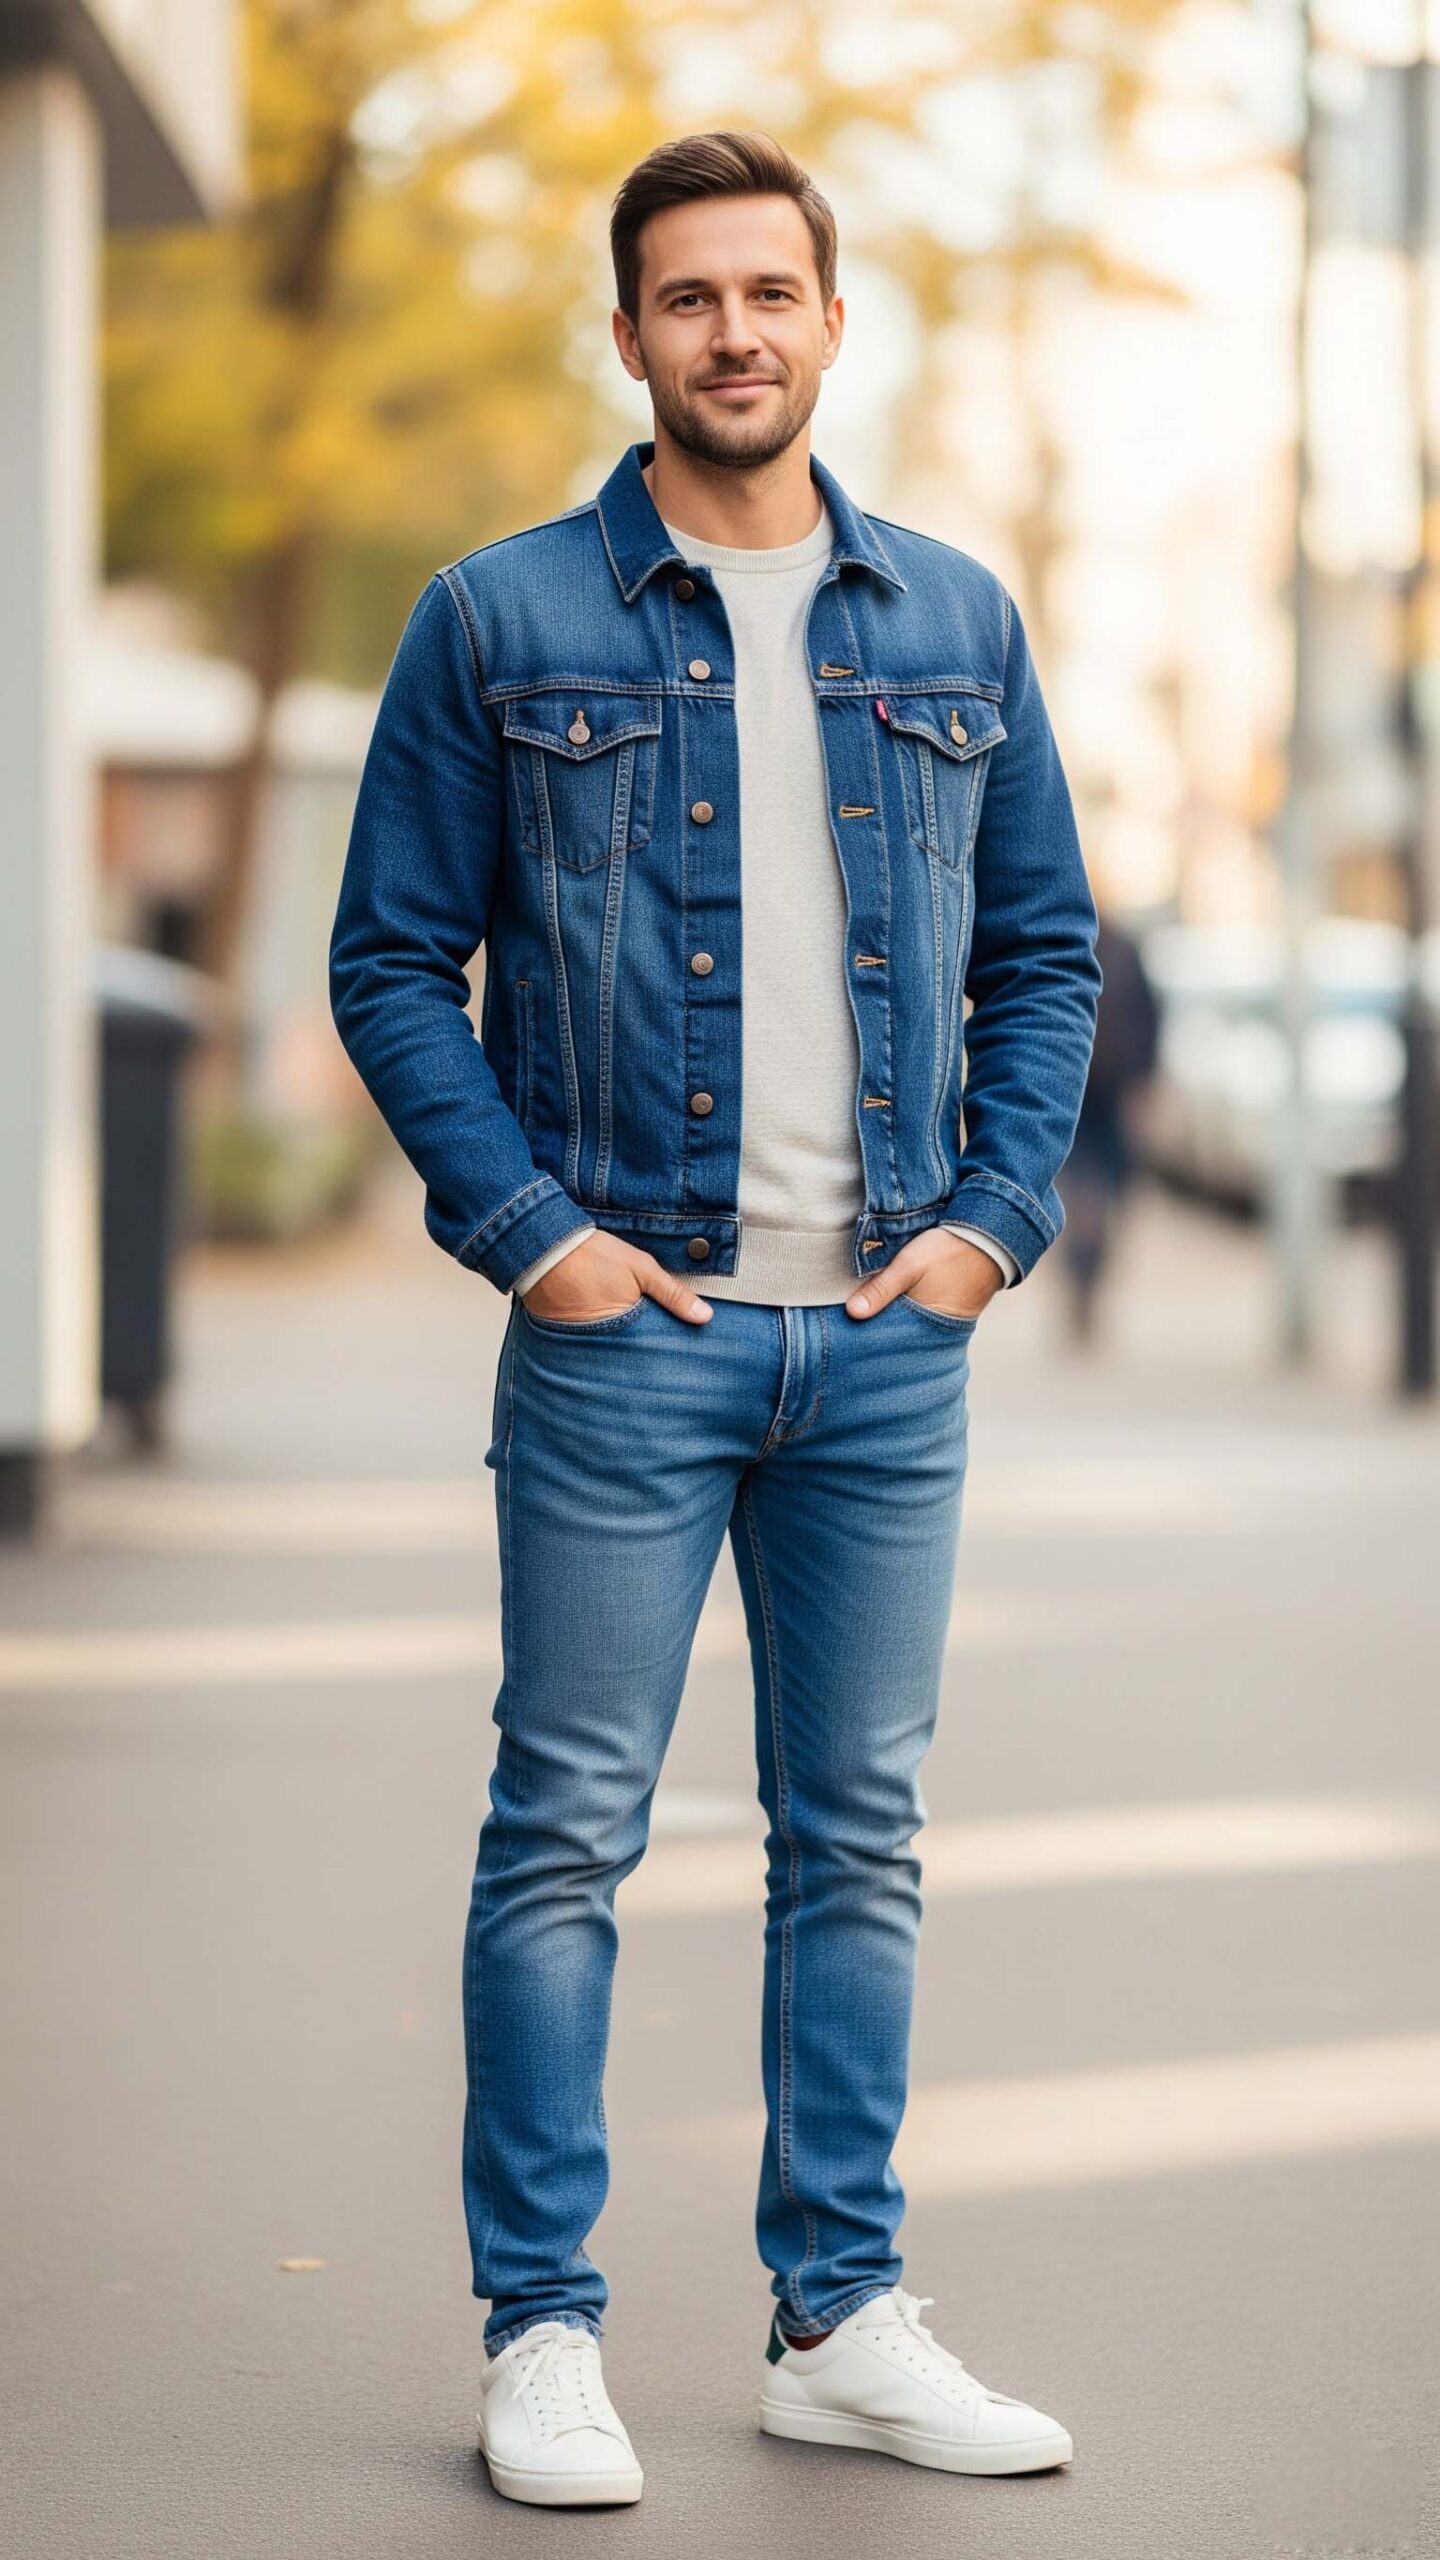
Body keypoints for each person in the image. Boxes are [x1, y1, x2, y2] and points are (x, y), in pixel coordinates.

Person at [330, 129, 1100, 2509]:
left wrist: (981, 1226)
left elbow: (1046, 953)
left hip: (880, 1340)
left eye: (772, 293)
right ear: (632, 329)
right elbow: (386, 960)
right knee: (561, 1827)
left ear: (828, 325)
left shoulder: (955, 621)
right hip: (619, 1336)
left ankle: (834, 2309)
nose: (733, 332)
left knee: (852, 1831)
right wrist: (533, 1232)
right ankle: (539, 2330)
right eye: (688, 298)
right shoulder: (499, 615)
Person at [1059, 911, 1160, 1343]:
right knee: (1081, 1201)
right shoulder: (1065, 944)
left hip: (1114, 1097)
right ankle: (1081, 1287)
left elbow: (1151, 1021)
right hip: (1075, 1096)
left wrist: (1145, 1082)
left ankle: (1090, 1285)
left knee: (1111, 1199)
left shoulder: (1125, 951)